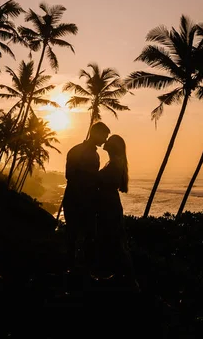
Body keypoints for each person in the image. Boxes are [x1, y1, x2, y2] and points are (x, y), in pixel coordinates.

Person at [60, 121, 110, 273]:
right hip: (75, 199)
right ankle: (70, 269)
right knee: (73, 236)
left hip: (87, 200)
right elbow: (70, 175)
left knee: (89, 237)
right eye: (104, 136)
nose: (105, 140)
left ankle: (85, 271)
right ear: (96, 133)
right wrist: (94, 177)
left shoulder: (94, 154)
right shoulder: (77, 151)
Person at [93, 134, 139, 291]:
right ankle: (119, 276)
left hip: (109, 205)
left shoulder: (115, 165)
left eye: (109, 143)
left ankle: (126, 279)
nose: (105, 143)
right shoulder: (114, 163)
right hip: (108, 204)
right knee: (111, 240)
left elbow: (100, 180)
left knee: (114, 240)